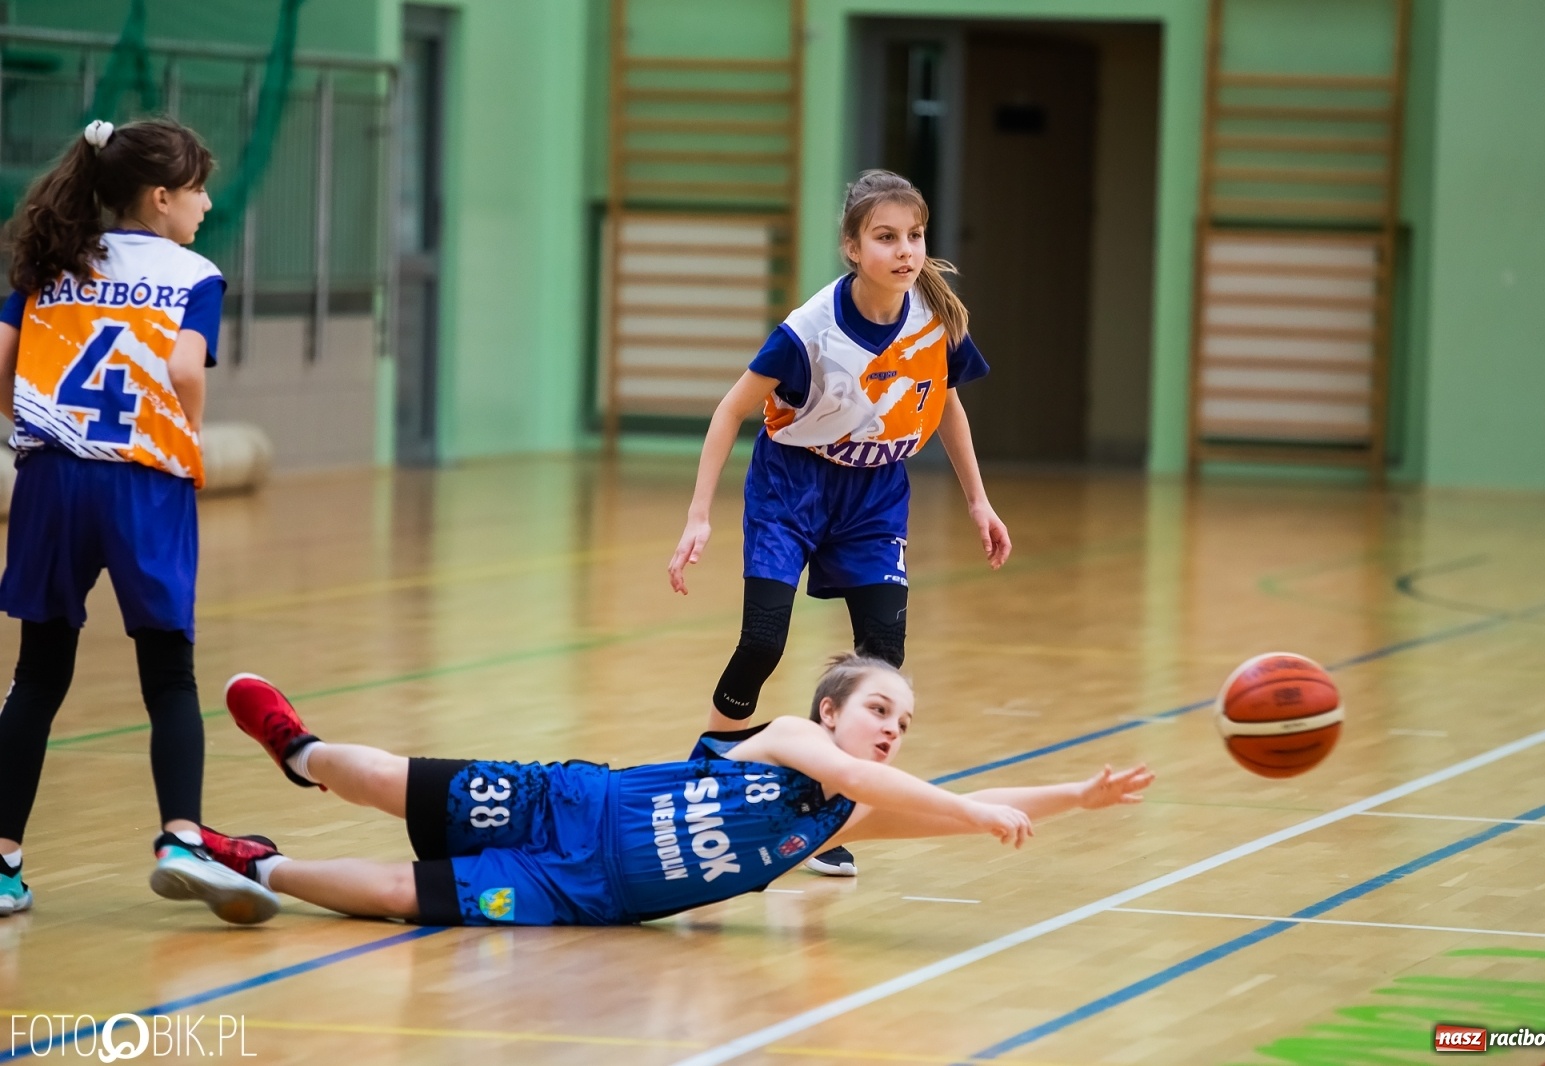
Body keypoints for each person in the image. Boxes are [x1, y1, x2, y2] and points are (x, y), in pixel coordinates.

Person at [198, 655, 1154, 927]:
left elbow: (969, 814)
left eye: (906, 721)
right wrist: (975, 804)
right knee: (393, 784)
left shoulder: (837, 821)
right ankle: (301, 752)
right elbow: (883, 782)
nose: (894, 727)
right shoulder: (791, 741)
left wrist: (1077, 793)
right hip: (575, 804)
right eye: (881, 708)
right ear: (830, 711)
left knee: (413, 897)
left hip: (592, 894)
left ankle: (261, 866)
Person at [666, 170, 1012, 876]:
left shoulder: (935, 321)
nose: (905, 250)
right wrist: (698, 516)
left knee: (881, 660)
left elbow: (945, 403)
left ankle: (824, 811)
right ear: (853, 247)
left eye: (914, 236)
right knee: (763, 642)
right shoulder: (808, 332)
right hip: (791, 486)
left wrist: (979, 499)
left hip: (875, 492)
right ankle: (702, 772)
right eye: (886, 237)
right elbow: (731, 411)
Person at [0, 119, 275, 925]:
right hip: (141, 483)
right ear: (161, 198)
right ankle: (180, 838)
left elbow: (5, 357)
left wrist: (25, 429)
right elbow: (185, 366)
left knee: (37, 677)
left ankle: (4, 860)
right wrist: (184, 432)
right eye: (198, 189)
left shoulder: (53, 259)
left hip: (49, 479)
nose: (208, 202)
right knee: (168, 674)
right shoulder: (194, 273)